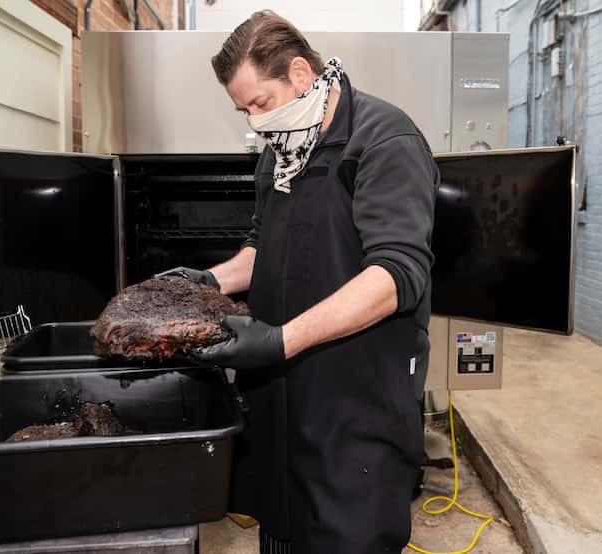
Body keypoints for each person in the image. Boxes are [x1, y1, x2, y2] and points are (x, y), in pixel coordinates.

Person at [160, 10, 439, 554]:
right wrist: (206, 278)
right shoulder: (282, 151)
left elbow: (395, 275)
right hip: (282, 396)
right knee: (281, 525)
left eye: (259, 103)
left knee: (345, 533)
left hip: (356, 400)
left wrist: (279, 339)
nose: (253, 122)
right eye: (242, 110)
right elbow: (261, 247)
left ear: (300, 75)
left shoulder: (384, 141)